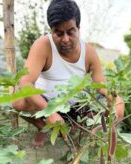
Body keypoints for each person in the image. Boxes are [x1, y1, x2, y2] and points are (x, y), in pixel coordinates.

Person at [12, 0, 124, 147]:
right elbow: (25, 82)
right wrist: (49, 112)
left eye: (71, 32)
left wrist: (116, 99)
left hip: (74, 106)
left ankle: (76, 128)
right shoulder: (43, 45)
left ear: (78, 28)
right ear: (51, 30)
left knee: (105, 105)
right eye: (58, 33)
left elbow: (101, 85)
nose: (65, 39)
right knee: (17, 100)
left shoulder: (89, 52)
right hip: (45, 101)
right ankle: (42, 126)